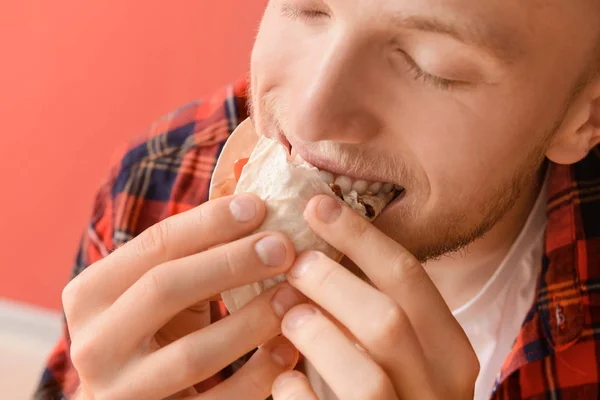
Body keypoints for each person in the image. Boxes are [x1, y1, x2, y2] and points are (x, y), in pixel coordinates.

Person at [35, 0, 600, 399]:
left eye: (433, 67)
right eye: (306, 8)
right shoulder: (154, 187)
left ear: (586, 117)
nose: (309, 116)